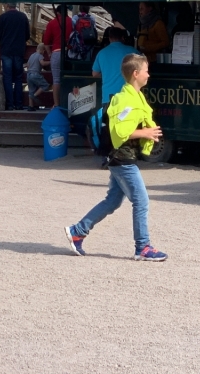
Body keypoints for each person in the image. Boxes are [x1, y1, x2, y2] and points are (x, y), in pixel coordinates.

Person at [64, 53, 167, 262]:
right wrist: (145, 133)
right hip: (122, 158)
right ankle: (143, 247)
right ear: (136, 74)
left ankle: (77, 231)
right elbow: (119, 132)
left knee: (112, 201)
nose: (149, 74)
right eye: (146, 70)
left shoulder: (133, 96)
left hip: (121, 157)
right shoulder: (126, 100)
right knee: (141, 201)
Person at [0, 2, 30, 110]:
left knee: (8, 78)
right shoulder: (23, 17)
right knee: (18, 78)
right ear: (16, 6)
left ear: (7, 6)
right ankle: (19, 104)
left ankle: (9, 104)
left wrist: (3, 42)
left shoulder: (3, 17)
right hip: (19, 50)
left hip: (6, 50)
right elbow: (27, 35)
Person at [92, 27, 139, 107]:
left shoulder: (102, 53)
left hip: (108, 97)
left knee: (110, 119)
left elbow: (95, 74)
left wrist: (107, 73)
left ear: (109, 38)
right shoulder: (132, 51)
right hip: (129, 96)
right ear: (122, 38)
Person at [42, 4, 73, 107]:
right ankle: (69, 103)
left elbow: (46, 41)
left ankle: (57, 104)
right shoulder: (71, 22)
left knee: (56, 80)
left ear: (58, 12)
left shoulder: (52, 23)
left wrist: (50, 53)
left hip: (56, 52)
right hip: (69, 53)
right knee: (69, 78)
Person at [26, 44, 50, 111]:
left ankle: (30, 106)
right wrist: (50, 62)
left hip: (29, 75)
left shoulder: (32, 55)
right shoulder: (40, 56)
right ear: (43, 50)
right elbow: (43, 63)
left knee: (31, 90)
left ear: (36, 49)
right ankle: (35, 95)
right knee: (45, 85)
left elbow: (28, 65)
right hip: (35, 74)